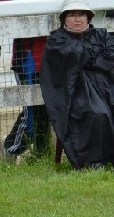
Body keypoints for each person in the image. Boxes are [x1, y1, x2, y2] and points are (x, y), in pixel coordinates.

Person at [41, 0, 114, 169]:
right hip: (75, 92)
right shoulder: (57, 41)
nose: (77, 19)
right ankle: (94, 161)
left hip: (106, 86)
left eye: (81, 14)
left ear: (88, 17)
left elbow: (110, 56)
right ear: (64, 19)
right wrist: (92, 57)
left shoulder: (101, 35)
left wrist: (87, 59)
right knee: (96, 113)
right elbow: (75, 58)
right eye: (72, 15)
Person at [0, 0, 50, 161]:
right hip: (28, 59)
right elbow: (6, 10)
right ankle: (11, 146)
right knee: (32, 111)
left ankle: (42, 154)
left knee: (48, 110)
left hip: (54, 58)